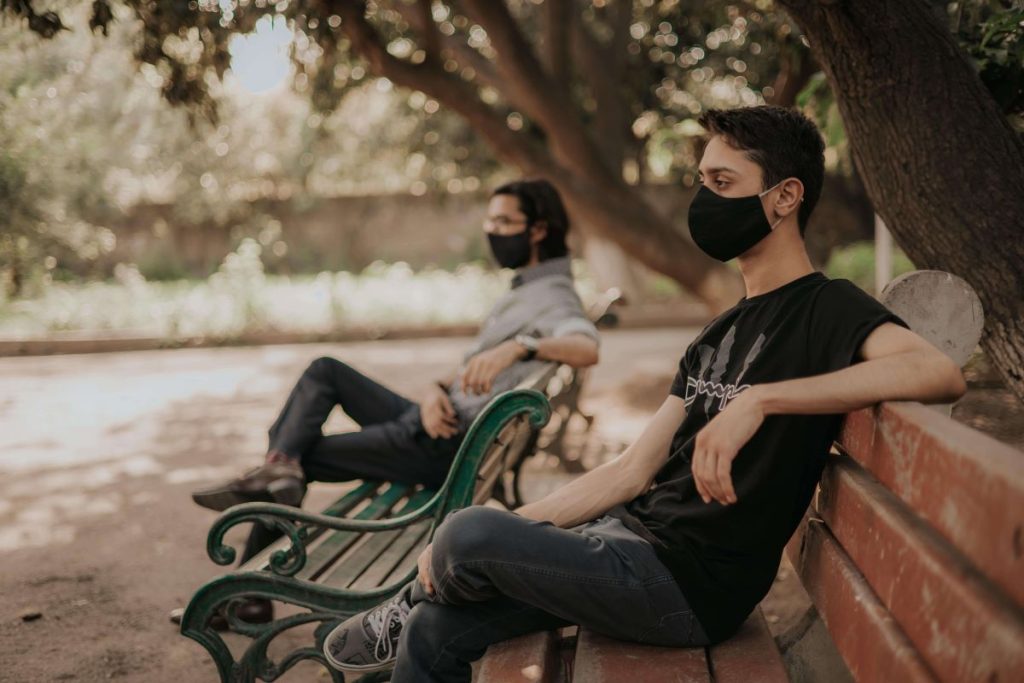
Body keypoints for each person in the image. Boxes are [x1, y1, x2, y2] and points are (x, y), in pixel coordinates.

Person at [320, 105, 968, 682]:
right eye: (701, 181)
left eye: (722, 183)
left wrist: (761, 400)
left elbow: (936, 371)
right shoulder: (720, 331)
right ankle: (419, 599)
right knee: (436, 626)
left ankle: (416, 588)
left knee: (465, 534)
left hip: (687, 587)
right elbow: (629, 470)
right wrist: (512, 531)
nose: (703, 198)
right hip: (625, 546)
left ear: (785, 196)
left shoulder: (826, 308)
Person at [179, 179, 600, 629]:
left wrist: (520, 346)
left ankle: (255, 576)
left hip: (447, 447)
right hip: (443, 419)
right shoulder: (525, 288)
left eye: (503, 221)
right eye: (489, 219)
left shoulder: (553, 292)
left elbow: (586, 345)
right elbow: (469, 371)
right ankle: (280, 468)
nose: (491, 230)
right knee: (325, 371)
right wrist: (434, 393)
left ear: (537, 230)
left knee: (300, 449)